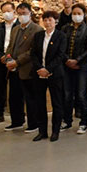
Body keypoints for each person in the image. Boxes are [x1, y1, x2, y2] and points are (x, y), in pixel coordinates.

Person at [5, 2, 43, 134]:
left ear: (30, 13)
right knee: (14, 96)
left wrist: (17, 62)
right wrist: (8, 59)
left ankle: (33, 123)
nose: (22, 16)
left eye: (24, 13)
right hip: (13, 69)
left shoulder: (37, 29)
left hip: (28, 68)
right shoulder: (15, 29)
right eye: (19, 14)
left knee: (30, 97)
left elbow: (33, 51)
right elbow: (10, 46)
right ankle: (17, 121)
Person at [30, 10, 68, 142]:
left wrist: (48, 69)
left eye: (50, 20)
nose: (47, 23)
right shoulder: (38, 35)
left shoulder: (61, 36)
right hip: (39, 73)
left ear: (55, 21)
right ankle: (42, 131)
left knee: (56, 103)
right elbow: (33, 54)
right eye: (45, 20)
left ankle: (55, 131)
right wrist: (40, 68)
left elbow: (60, 55)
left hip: (55, 74)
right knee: (39, 103)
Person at [61, 2, 87, 134]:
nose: (76, 16)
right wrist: (67, 60)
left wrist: (77, 60)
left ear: (84, 14)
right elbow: (61, 46)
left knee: (81, 94)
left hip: (81, 66)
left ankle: (84, 122)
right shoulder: (65, 29)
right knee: (67, 94)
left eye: (79, 13)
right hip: (66, 65)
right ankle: (67, 121)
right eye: (74, 13)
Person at [0, 1, 18, 126]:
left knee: (16, 88)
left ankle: (16, 115)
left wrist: (13, 59)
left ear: (14, 11)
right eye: (4, 12)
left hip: (15, 61)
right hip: (1, 60)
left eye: (8, 11)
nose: (6, 14)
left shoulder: (19, 26)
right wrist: (1, 56)